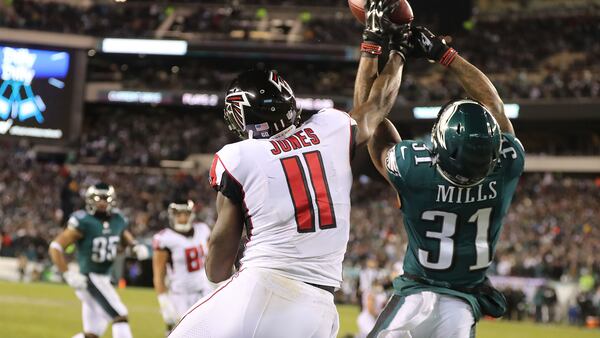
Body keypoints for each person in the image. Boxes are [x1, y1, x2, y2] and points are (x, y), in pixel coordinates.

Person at [169, 1, 410, 336]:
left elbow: (217, 265)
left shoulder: (238, 157)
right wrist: (397, 49)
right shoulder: (330, 128)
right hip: (321, 306)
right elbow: (377, 105)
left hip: (261, 287)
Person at [366, 26, 525, 338]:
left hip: (414, 294)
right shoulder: (508, 163)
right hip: (461, 306)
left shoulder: (416, 170)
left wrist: (391, 54)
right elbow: (493, 103)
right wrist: (445, 55)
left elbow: (371, 120)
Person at [48, 183, 150, 338]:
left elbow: (123, 234)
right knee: (120, 316)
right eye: (98, 199)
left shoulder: (118, 219)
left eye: (106, 198)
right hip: (90, 278)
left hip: (104, 278)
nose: (102, 202)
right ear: (90, 200)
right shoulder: (83, 221)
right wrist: (67, 274)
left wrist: (134, 246)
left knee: (93, 334)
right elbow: (55, 246)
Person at [152, 199, 211, 336]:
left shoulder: (202, 229)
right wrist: (164, 303)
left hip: (204, 291)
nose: (183, 218)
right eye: (179, 214)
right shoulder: (164, 238)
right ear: (172, 215)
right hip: (180, 296)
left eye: (185, 214)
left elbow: (211, 259)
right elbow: (159, 275)